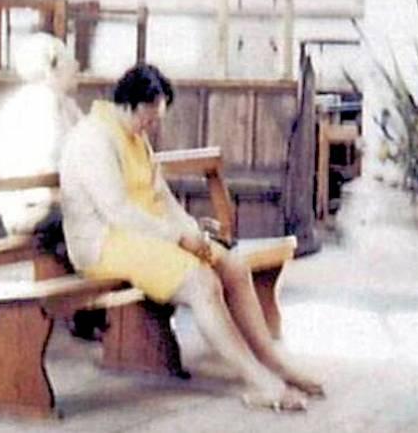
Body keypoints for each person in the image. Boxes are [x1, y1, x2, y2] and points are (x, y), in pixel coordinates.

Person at [59, 63, 325, 411]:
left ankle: (273, 361)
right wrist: (178, 239)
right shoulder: (93, 139)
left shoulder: (135, 136)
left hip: (144, 236)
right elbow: (118, 212)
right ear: (131, 104)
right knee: (201, 282)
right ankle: (260, 382)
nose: (152, 126)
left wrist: (192, 233)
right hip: (103, 243)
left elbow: (163, 198)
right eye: (149, 117)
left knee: (232, 265)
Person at [0, 32, 106, 339]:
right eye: (69, 60)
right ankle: (94, 311)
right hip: (31, 208)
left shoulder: (62, 103)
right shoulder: (38, 104)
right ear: (50, 68)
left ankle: (97, 310)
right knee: (105, 220)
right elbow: (40, 171)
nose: (77, 65)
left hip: (54, 202)